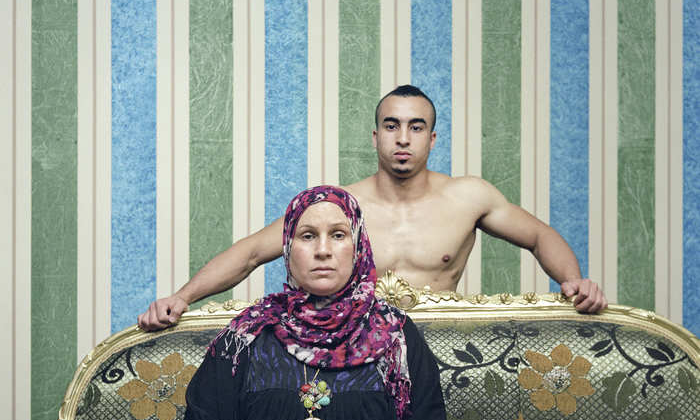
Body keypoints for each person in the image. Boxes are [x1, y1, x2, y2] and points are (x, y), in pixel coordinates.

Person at [139, 85, 607, 331]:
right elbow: (249, 253)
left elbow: (541, 235)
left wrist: (572, 282)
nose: (403, 138)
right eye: (392, 125)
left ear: (432, 137)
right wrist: (182, 298)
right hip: (355, 355)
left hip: (441, 349)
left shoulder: (469, 196)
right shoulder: (338, 206)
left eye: (416, 127)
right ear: (376, 136)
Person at [172, 186, 447, 420]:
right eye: (307, 236)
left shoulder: (396, 336)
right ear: (287, 248)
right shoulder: (245, 336)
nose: (322, 250)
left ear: (358, 246)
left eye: (338, 235)